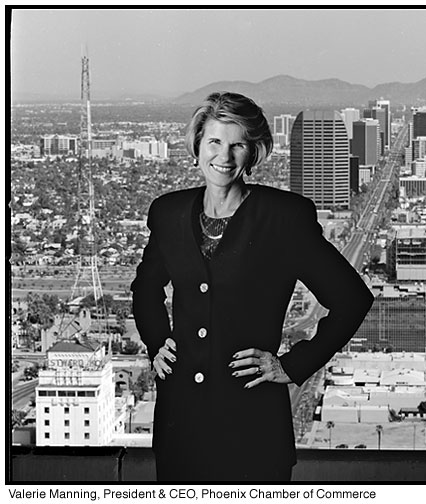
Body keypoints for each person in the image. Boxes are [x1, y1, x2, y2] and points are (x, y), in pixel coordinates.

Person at [131, 92, 373, 482]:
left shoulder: (283, 219)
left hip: (252, 430)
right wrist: (157, 343)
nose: (223, 156)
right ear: (197, 146)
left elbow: (352, 299)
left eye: (237, 144)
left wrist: (290, 366)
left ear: (253, 153)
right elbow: (145, 290)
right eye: (214, 142)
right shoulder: (168, 213)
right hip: (181, 427)